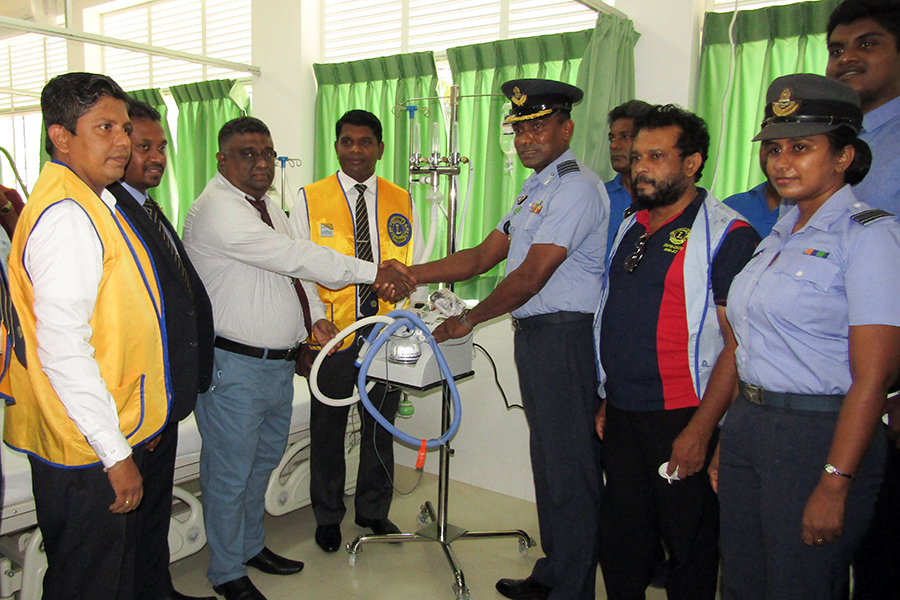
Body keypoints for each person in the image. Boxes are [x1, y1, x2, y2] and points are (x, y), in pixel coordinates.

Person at [182, 116, 415, 600]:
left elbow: (298, 261)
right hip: (235, 366)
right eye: (248, 154)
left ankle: (249, 547)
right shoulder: (218, 212)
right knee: (229, 472)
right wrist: (374, 271)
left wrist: (312, 318)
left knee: (260, 463)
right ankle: (226, 572)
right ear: (222, 159)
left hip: (277, 365)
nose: (262, 162)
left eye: (267, 152)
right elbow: (294, 259)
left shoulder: (267, 206)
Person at [408, 78, 608, 600]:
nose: (525, 139)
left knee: (570, 472)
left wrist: (468, 321)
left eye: (538, 126)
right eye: (518, 129)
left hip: (564, 338)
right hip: (537, 337)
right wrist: (410, 273)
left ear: (566, 128)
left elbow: (528, 278)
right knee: (549, 465)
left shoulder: (578, 188)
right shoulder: (535, 188)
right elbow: (480, 257)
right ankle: (554, 573)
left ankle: (573, 590)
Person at [713, 73, 900, 600]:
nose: (781, 161)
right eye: (773, 148)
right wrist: (733, 434)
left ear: (843, 156)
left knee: (802, 585)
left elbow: (874, 377)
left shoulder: (870, 236)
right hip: (752, 421)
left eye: (801, 147)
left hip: (819, 434)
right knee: (744, 582)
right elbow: (748, 347)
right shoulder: (777, 233)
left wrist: (835, 482)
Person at [1, 72, 169, 599]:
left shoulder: (91, 202)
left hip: (104, 430)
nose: (122, 141)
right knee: (90, 583)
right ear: (61, 136)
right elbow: (63, 350)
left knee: (106, 579)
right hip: (85, 446)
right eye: (104, 127)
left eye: (123, 127)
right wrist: (116, 453)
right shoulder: (67, 217)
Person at [593, 104, 759, 600]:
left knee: (689, 550)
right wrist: (606, 394)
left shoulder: (727, 234)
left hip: (683, 417)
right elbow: (616, 315)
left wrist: (700, 431)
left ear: (691, 163)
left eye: (657, 156)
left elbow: (738, 345)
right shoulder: (631, 223)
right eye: (638, 155)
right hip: (622, 414)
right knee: (622, 544)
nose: (640, 166)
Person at [293, 110, 426, 553]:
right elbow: (299, 270)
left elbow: (416, 263)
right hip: (334, 338)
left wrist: (405, 321)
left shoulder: (402, 199)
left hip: (385, 336)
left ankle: (372, 510)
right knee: (327, 428)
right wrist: (314, 319)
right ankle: (328, 515)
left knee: (379, 427)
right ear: (336, 147)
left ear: (380, 149)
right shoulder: (310, 199)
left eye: (365, 142)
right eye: (347, 141)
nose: (356, 150)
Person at [107, 99, 216, 600]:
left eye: (161, 147)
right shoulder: (111, 211)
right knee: (128, 520)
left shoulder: (147, 206)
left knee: (151, 508)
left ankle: (157, 589)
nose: (156, 157)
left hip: (165, 393)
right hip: (138, 400)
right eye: (143, 147)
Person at [825, 3, 900, 597]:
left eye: (867, 43)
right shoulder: (826, 144)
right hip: (831, 383)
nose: (847, 57)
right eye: (838, 47)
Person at [605, 99, 651, 256]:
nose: (614, 145)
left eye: (625, 137)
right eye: (612, 138)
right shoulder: (598, 196)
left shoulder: (665, 199)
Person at [722, 148, 782, 237]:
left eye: (799, 148)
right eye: (774, 150)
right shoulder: (730, 207)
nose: (780, 163)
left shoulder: (807, 214)